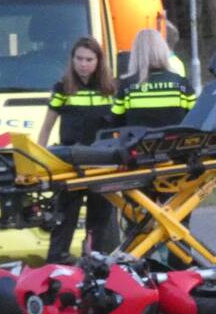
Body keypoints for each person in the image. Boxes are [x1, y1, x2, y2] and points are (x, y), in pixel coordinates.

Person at [36, 37, 119, 264]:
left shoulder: (110, 89)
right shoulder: (63, 88)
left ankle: (95, 259)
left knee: (99, 218)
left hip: (102, 162)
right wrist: (38, 159)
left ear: (98, 62)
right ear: (72, 60)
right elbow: (47, 126)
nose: (83, 64)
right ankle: (56, 261)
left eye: (89, 60)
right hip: (71, 162)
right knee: (65, 215)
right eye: (79, 59)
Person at [112, 28, 195, 128]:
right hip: (173, 142)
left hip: (138, 142)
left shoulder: (127, 85)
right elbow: (196, 116)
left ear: (136, 52)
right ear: (163, 49)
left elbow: (116, 120)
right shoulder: (181, 83)